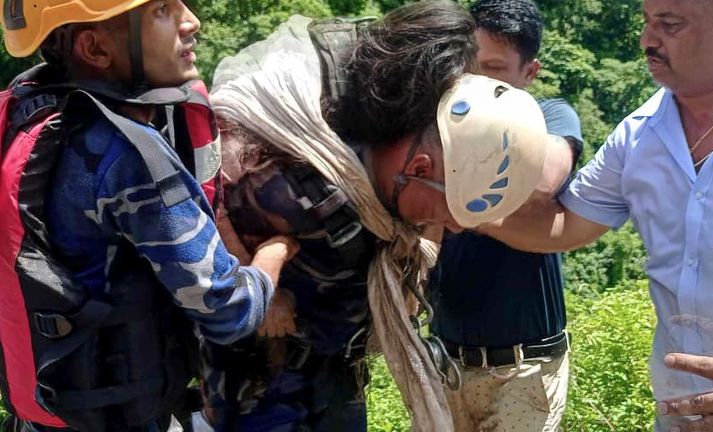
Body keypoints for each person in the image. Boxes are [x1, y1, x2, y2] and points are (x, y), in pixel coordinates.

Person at [194, 2, 556, 431]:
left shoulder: (394, 149)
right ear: (420, 168)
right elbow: (204, 208)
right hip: (260, 393)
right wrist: (259, 277)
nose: (457, 228)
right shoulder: (302, 199)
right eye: (451, 211)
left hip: (333, 383)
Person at [0, 1, 295, 431]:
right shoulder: (128, 157)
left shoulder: (27, 112)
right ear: (96, 48)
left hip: (47, 408)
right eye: (161, 10)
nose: (191, 21)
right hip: (118, 416)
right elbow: (226, 308)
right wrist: (274, 254)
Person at [480, 0, 713, 430]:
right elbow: (562, 226)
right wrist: (462, 209)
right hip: (680, 415)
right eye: (647, 21)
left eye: (669, 24)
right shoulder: (639, 135)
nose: (647, 41)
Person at [428, 0, 583, 430]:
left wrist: (449, 199)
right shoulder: (440, 116)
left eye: (494, 69)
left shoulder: (550, 114)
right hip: (445, 364)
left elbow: (543, 181)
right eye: (470, 64)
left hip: (524, 370)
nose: (475, 80)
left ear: (529, 73)